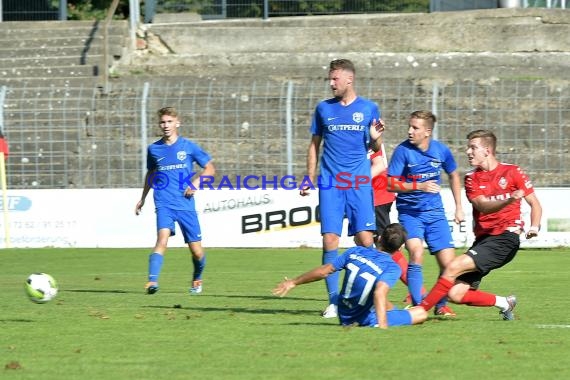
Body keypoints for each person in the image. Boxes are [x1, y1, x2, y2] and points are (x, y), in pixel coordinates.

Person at [419, 129, 542, 320]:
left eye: (473, 147)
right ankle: (504, 303)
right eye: (468, 147)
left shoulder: (512, 171)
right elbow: (483, 206)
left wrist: (534, 227)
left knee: (452, 267)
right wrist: (509, 199)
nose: (468, 151)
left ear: (487, 150)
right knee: (455, 294)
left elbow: (534, 203)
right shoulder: (471, 178)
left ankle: (419, 310)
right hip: (483, 241)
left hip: (505, 238)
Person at [300, 58, 385, 319]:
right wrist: (308, 176)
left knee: (365, 240)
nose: (331, 83)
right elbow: (314, 145)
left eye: (335, 78)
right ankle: (334, 301)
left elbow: (377, 150)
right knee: (330, 239)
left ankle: (372, 294)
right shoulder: (323, 109)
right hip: (330, 184)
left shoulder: (369, 108)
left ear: (349, 79)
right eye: (330, 78)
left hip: (358, 184)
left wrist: (376, 138)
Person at [272, 223, 428, 329]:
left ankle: (393, 313)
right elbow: (379, 293)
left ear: (379, 239)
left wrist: (293, 282)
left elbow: (324, 271)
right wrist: (383, 327)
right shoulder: (392, 267)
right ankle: (385, 319)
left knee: (385, 303)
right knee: (421, 313)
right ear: (401, 248)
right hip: (364, 319)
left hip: (344, 313)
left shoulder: (355, 251)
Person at [387, 110, 464, 316]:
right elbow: (390, 183)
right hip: (410, 213)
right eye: (409, 126)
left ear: (427, 131)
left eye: (415, 127)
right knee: (416, 252)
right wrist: (418, 186)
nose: (409, 131)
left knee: (448, 263)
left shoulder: (441, 150)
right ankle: (419, 305)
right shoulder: (402, 151)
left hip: (435, 213)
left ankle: (440, 305)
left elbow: (454, 174)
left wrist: (459, 206)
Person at [135, 106, 215, 295]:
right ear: (159, 124)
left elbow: (210, 169)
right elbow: (151, 174)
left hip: (185, 204)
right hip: (163, 203)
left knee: (197, 252)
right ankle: (152, 282)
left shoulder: (188, 147)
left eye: (169, 121)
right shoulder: (154, 149)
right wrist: (143, 197)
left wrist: (196, 183)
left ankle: (197, 276)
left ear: (177, 123)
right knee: (162, 239)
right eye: (162, 122)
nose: (166, 125)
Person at [370, 147, 425, 302]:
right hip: (367, 196)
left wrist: (353, 182)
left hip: (376, 197)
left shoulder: (367, 132)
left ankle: (419, 292)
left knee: (386, 247)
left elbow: (379, 164)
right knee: (365, 243)